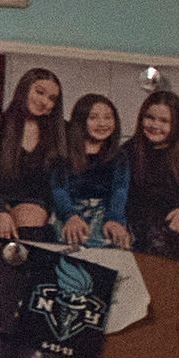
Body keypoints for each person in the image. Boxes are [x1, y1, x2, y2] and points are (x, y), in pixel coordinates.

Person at [124, 86, 179, 259]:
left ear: (177, 123)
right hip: (142, 245)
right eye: (149, 118)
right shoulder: (127, 151)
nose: (155, 125)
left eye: (164, 121)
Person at [0, 66, 66, 237]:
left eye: (51, 98)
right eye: (39, 92)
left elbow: (58, 182)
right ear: (24, 89)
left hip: (38, 208)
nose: (44, 101)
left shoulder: (60, 132)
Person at [45, 93, 133, 248]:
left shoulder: (119, 156)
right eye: (93, 118)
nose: (102, 123)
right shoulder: (64, 152)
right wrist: (70, 216)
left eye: (108, 117)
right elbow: (59, 189)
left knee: (113, 243)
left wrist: (114, 219)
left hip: (106, 213)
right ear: (80, 121)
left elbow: (120, 190)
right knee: (71, 242)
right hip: (69, 211)